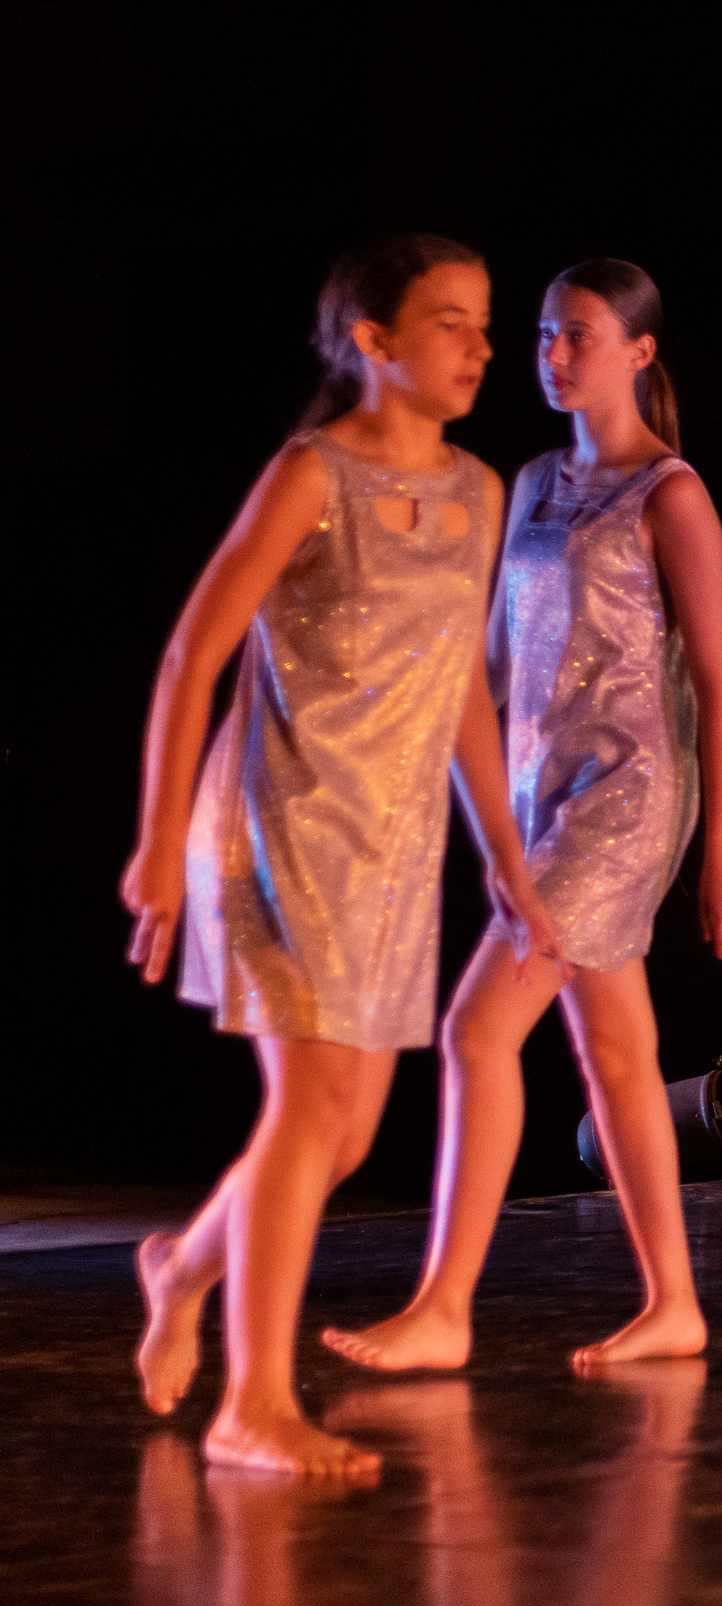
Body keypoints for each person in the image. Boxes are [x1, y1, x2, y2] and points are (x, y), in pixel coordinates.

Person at [123, 235, 559, 1475]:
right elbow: (192, 654)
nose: (481, 346)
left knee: (347, 1135)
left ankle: (183, 1265)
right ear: (375, 341)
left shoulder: (478, 490)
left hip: (391, 845)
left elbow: (461, 686)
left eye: (484, 321)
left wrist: (506, 854)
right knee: (307, 1109)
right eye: (450, 322)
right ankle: (252, 1402)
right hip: (276, 823)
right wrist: (155, 840)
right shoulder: (310, 474)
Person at [323, 260, 722, 1375]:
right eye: (544, 335)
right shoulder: (529, 482)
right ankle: (674, 1303)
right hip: (539, 802)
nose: (552, 355)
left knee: (478, 1031)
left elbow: (719, 685)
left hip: (625, 801)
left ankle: (444, 1305)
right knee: (617, 1053)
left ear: (639, 352)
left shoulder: (670, 494)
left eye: (578, 335)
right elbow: (494, 663)